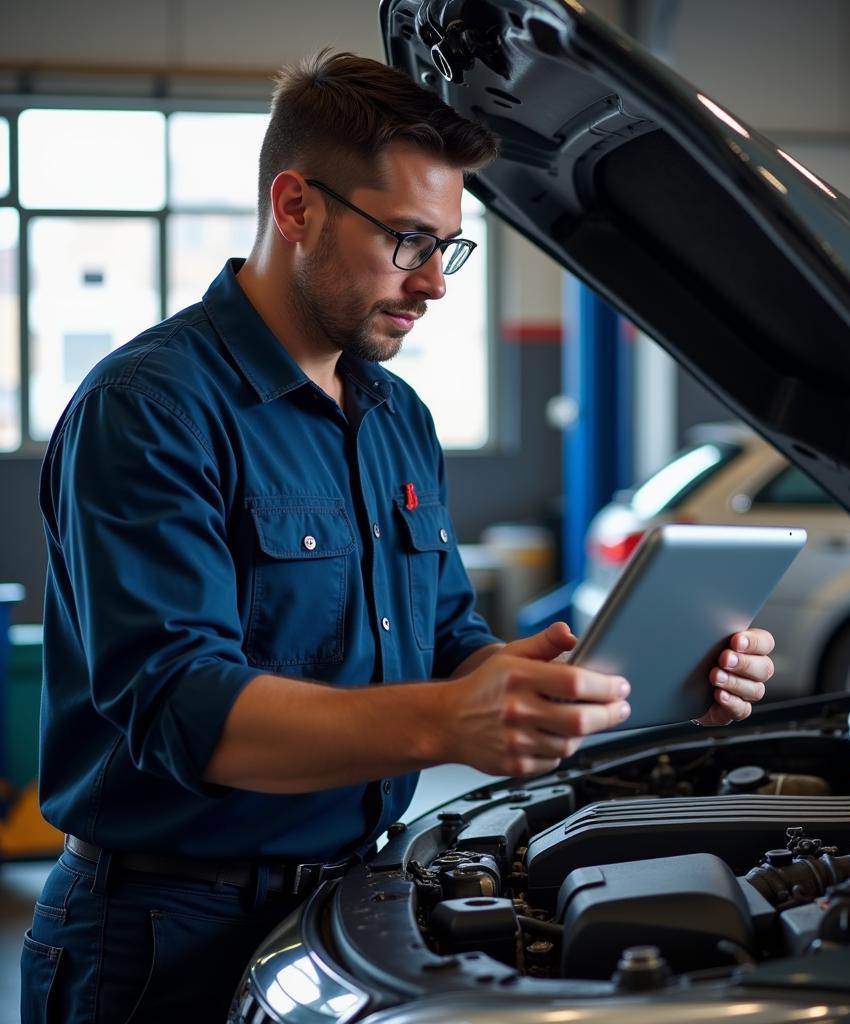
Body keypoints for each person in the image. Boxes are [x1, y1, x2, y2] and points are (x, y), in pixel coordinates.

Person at [21, 50, 776, 1023]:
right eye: (408, 241)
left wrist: (584, 680)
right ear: (296, 208)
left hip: (348, 906)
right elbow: (178, 704)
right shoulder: (151, 408)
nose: (434, 285)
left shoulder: (397, 418)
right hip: (159, 937)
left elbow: (445, 640)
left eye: (447, 248)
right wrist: (445, 721)